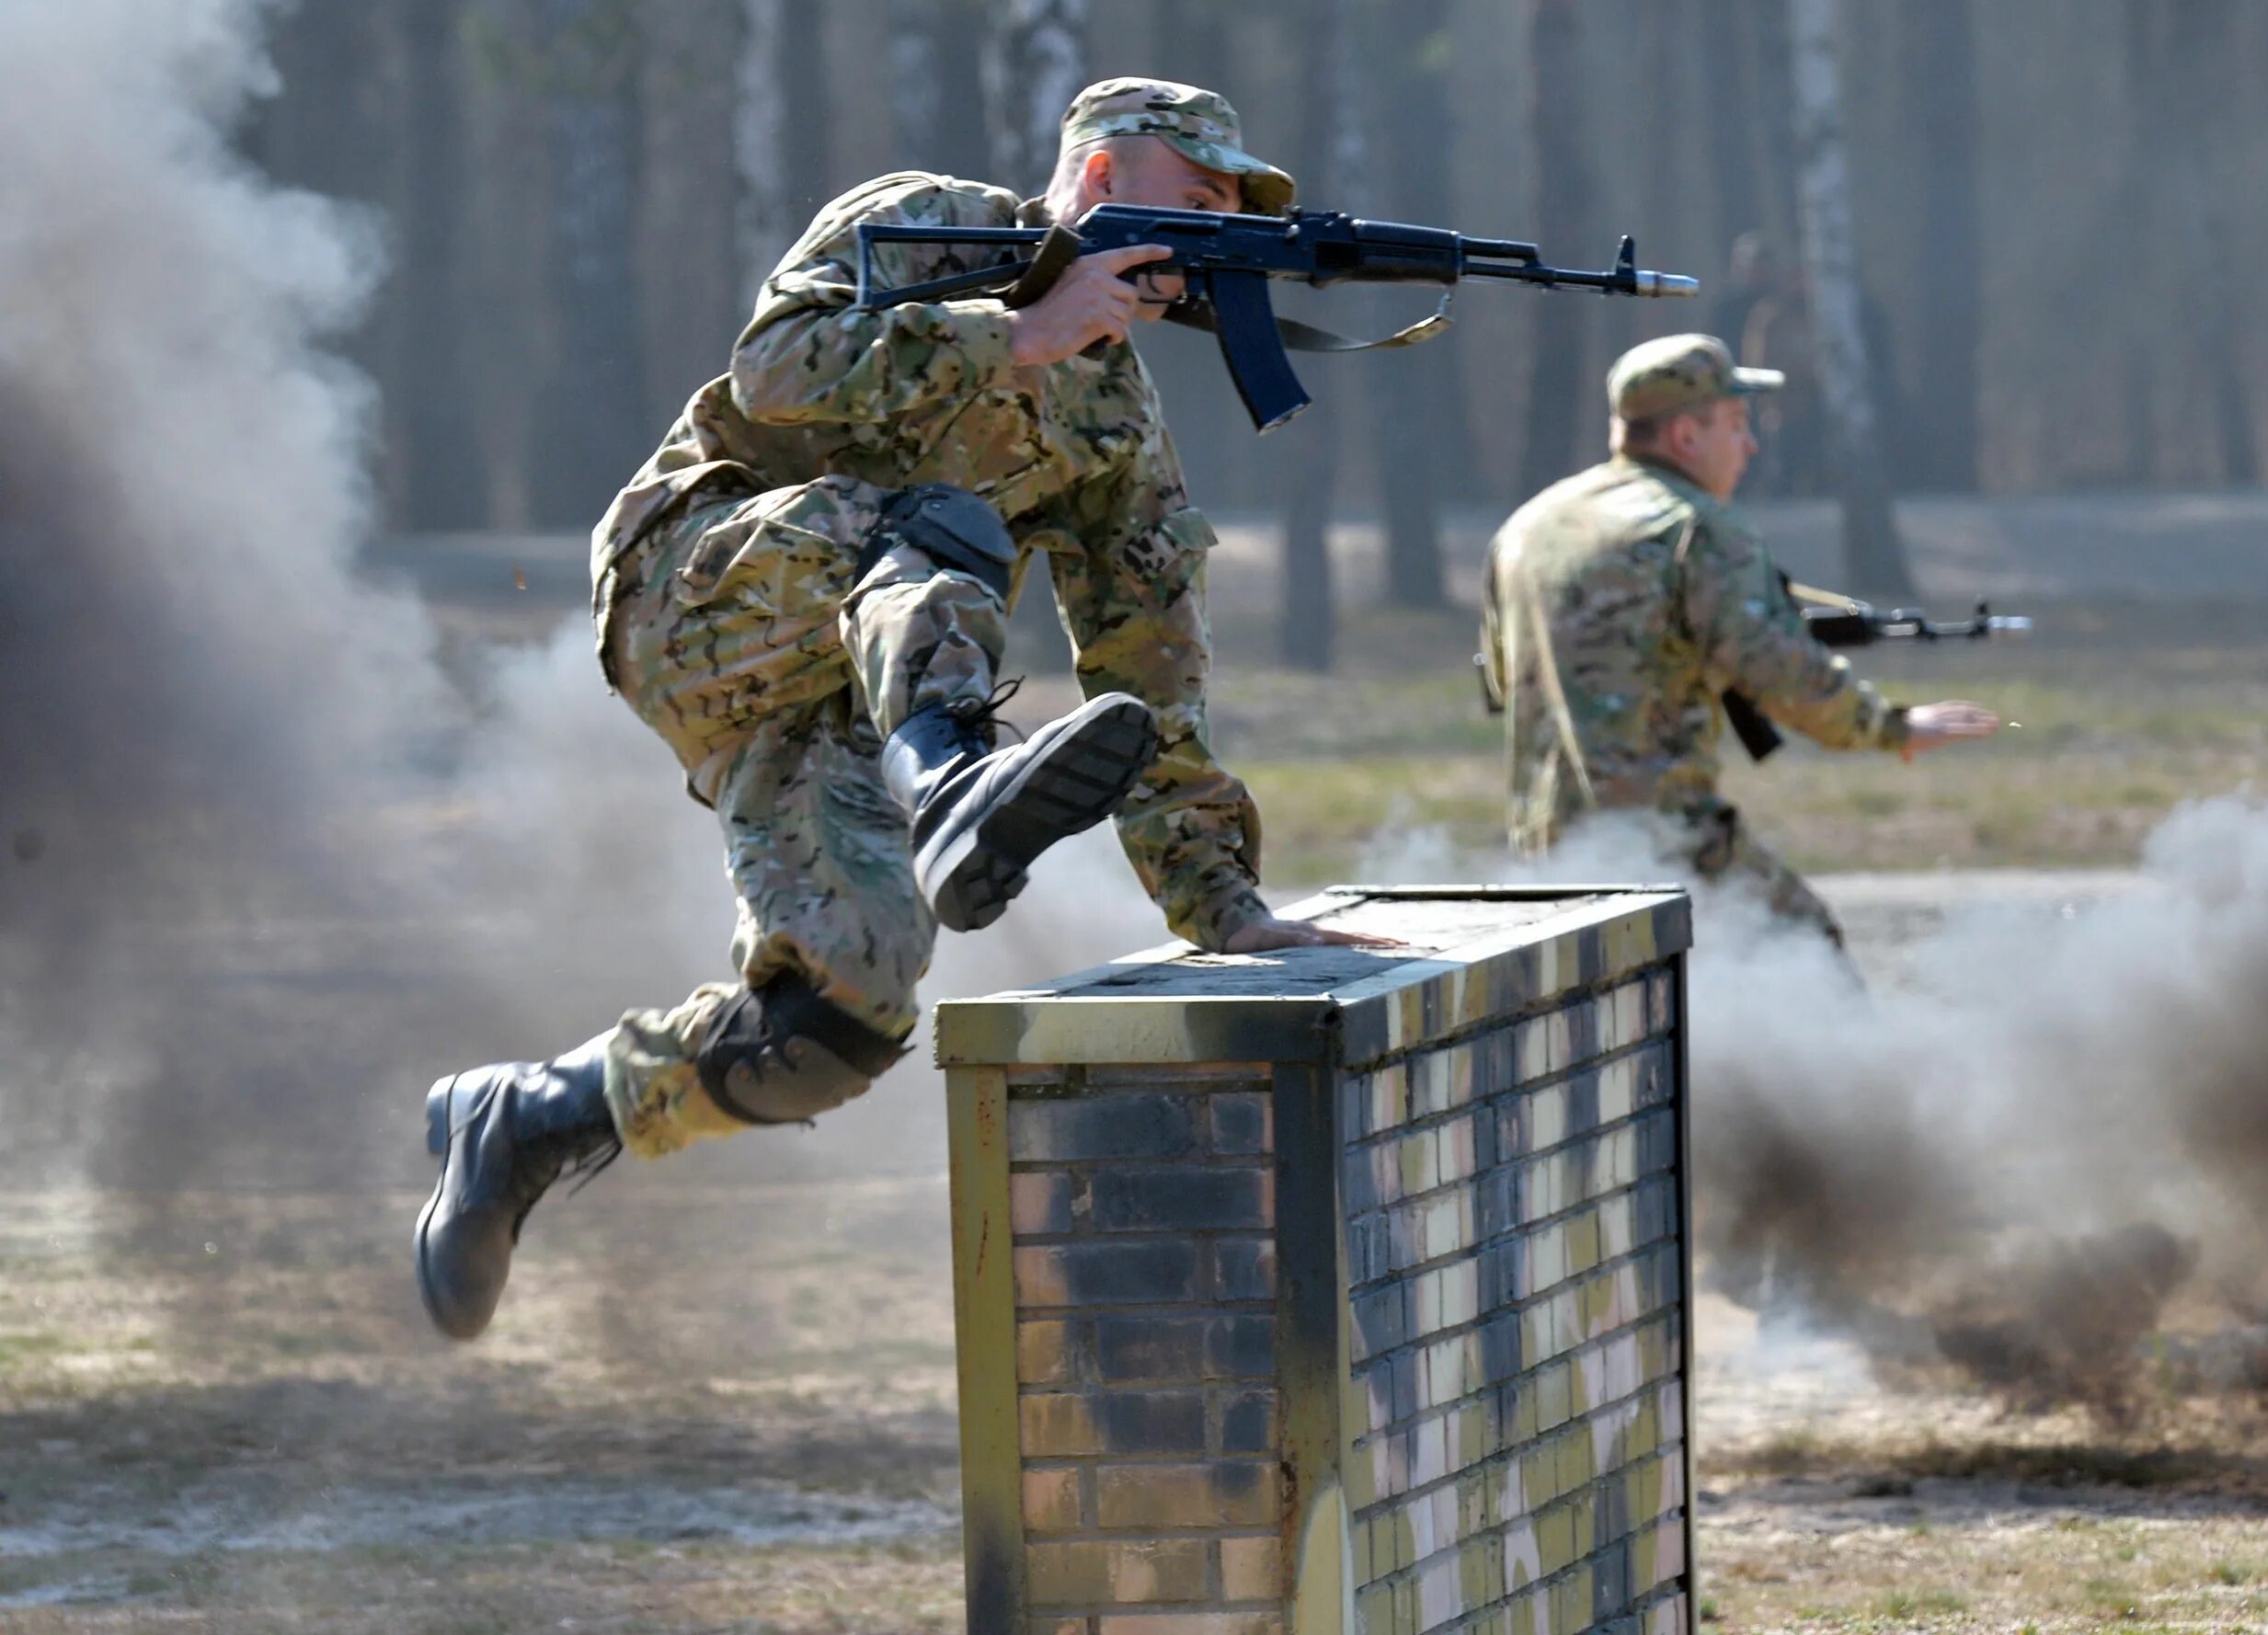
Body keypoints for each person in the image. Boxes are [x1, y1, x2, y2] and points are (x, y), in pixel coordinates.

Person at [415, 78, 1360, 1340]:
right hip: (699, 591)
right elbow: (775, 366)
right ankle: (952, 784)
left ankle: (528, 1119)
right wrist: (1016, 333)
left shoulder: (1114, 416)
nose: (1214, 235)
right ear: (1097, 179)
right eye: (1195, 201)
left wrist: (1227, 909)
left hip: (840, 695)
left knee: (835, 1021)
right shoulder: (935, 226)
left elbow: (1148, 665)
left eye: (1234, 214)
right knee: (933, 527)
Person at [1478, 332, 2001, 946]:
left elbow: (1501, 683)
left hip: (1546, 857)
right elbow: (1780, 671)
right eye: (1736, 423)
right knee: (1807, 957)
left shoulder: (1527, 527)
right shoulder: (1698, 527)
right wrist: (1892, 728)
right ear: (1686, 437)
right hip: (1667, 849)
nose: (1750, 446)